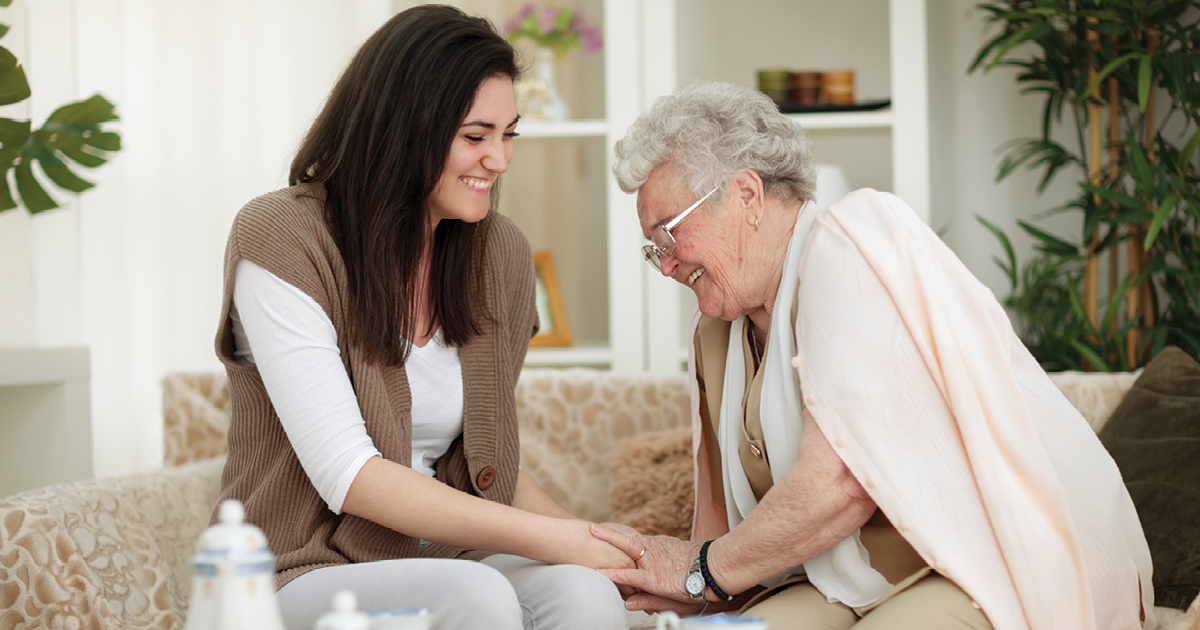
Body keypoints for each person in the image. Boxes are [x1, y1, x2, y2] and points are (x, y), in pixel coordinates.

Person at [590, 81, 1155, 630]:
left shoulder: (850, 245)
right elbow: (712, 526)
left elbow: (839, 484)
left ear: (747, 195)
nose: (664, 265)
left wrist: (701, 573)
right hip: (834, 583)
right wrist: (677, 585)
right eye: (653, 249)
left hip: (970, 562)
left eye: (668, 235)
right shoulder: (713, 333)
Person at [212, 6, 630, 630]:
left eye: (509, 134)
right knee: (478, 595)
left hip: (448, 561)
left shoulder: (499, 254)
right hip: (300, 571)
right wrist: (556, 540)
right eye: (475, 136)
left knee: (586, 592)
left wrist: (616, 553)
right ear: (405, 126)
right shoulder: (284, 237)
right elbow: (349, 475)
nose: (500, 160)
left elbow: (486, 468)